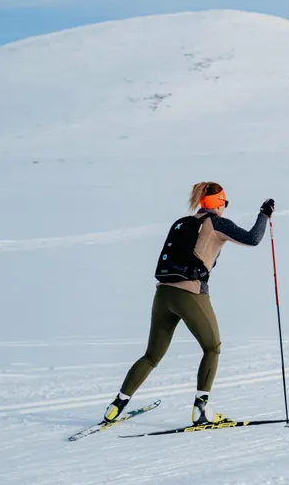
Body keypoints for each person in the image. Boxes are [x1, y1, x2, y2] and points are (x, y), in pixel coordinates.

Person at [103, 182, 274, 425]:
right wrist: (264, 214)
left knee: (151, 356)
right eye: (225, 203)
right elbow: (253, 238)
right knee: (212, 348)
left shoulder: (182, 222)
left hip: (163, 294)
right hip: (190, 294)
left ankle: (116, 406)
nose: (225, 208)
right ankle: (201, 409)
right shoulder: (217, 223)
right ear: (218, 203)